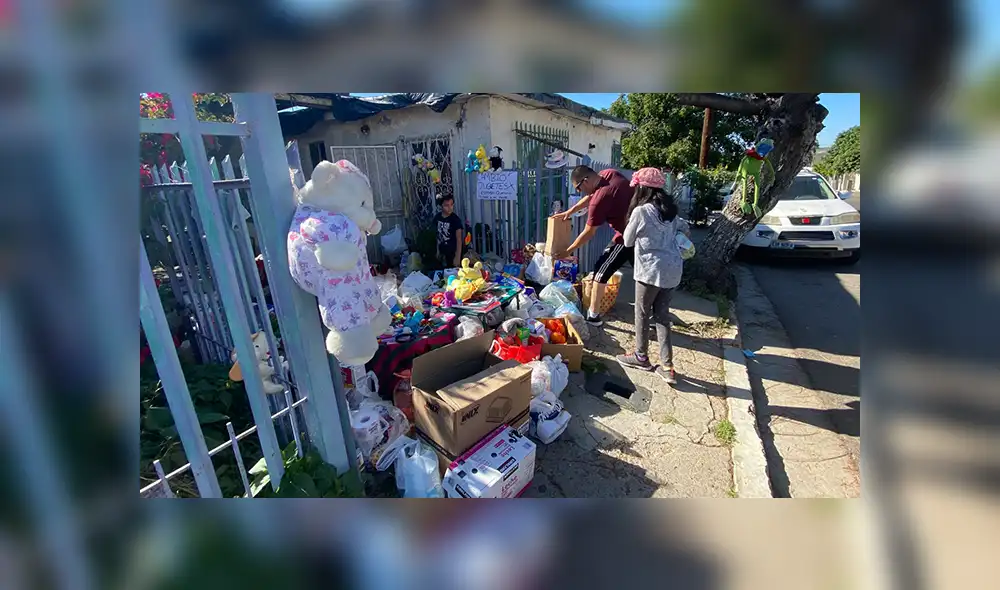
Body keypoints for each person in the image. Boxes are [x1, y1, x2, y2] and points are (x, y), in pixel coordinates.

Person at [615, 167, 690, 385]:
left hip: (649, 271)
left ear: (641, 188)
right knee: (662, 316)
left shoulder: (641, 211)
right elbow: (684, 230)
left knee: (641, 312)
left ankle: (641, 357)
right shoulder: (671, 211)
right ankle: (667, 367)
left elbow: (627, 241)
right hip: (673, 269)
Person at [552, 165, 633, 326]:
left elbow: (589, 232)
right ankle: (658, 314)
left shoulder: (601, 197)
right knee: (644, 276)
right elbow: (591, 195)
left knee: (600, 271)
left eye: (578, 187)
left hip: (627, 237)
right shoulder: (608, 174)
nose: (579, 191)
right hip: (641, 232)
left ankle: (593, 316)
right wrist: (570, 211)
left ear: (586, 180)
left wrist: (567, 251)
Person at [433, 192, 463, 269]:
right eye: (446, 205)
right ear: (441, 206)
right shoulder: (437, 218)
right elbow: (437, 236)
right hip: (442, 252)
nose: (450, 208)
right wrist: (437, 251)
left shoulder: (455, 220)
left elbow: (459, 239)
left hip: (452, 253)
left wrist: (457, 257)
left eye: (451, 204)